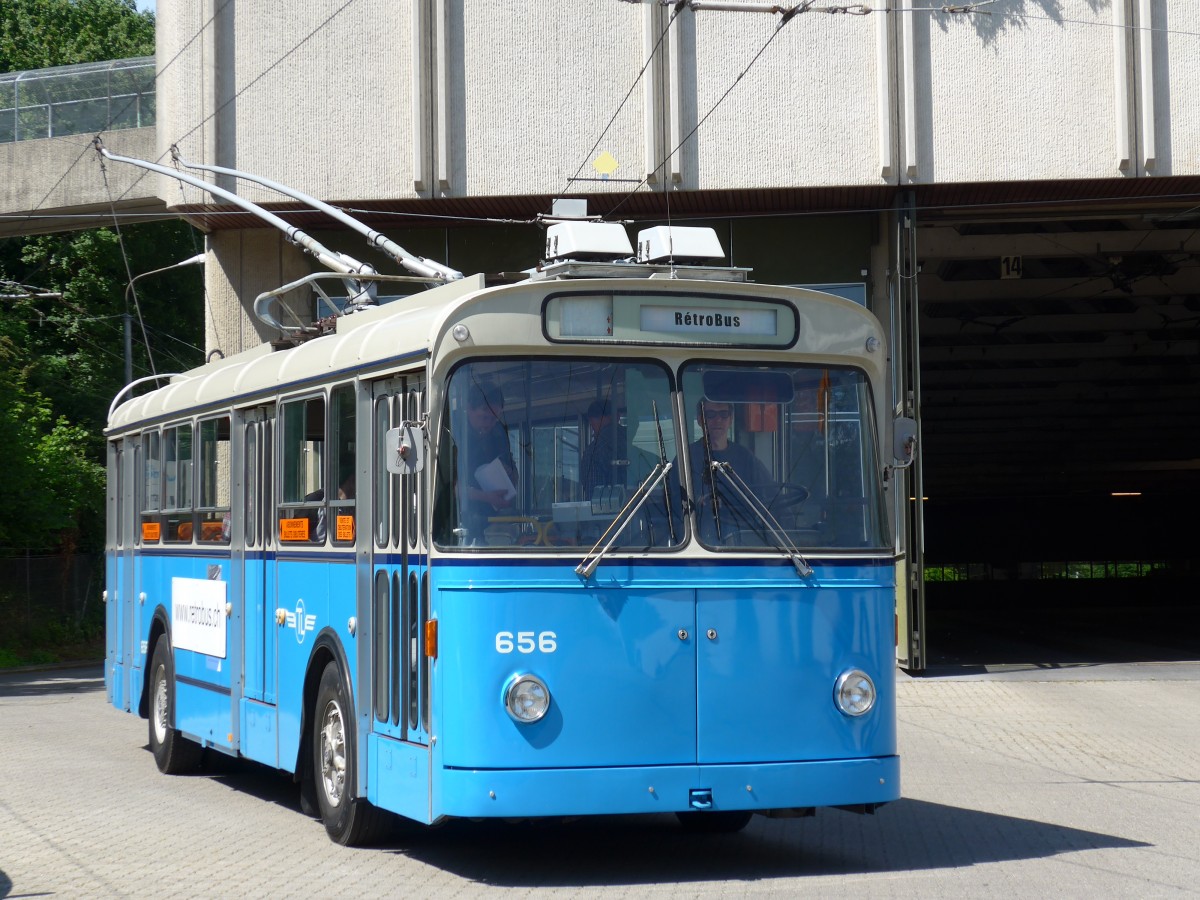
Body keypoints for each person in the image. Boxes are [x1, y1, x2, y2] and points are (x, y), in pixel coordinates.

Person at [687, 399, 772, 540]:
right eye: (711, 414)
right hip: (698, 537)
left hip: (742, 533)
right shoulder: (687, 457)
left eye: (724, 414)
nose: (718, 419)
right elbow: (676, 501)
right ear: (700, 420)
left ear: (730, 419)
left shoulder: (746, 457)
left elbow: (766, 494)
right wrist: (699, 501)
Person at [460, 382, 517, 542]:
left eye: (494, 419)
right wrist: (486, 497)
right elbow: (446, 488)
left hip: (493, 524)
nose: (489, 424)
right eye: (484, 417)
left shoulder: (498, 433)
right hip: (458, 525)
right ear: (469, 409)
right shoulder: (453, 431)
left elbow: (513, 468)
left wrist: (510, 473)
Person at [579, 398, 623, 499]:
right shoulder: (634, 447)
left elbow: (594, 499)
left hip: (612, 513)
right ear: (618, 417)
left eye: (592, 424)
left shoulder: (593, 453)